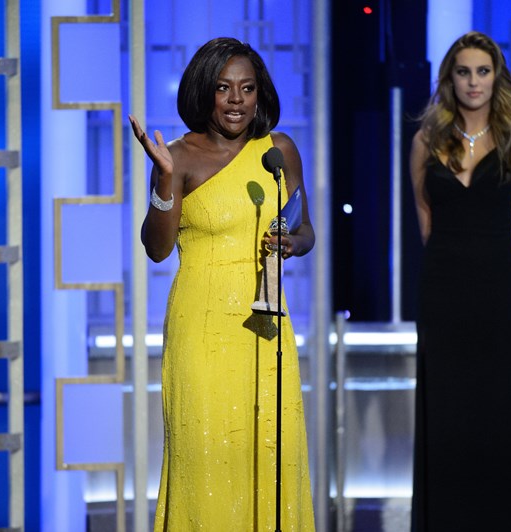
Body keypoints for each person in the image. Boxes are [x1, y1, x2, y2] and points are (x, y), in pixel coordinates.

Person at [128, 37, 316, 531]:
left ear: (260, 93)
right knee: (205, 457)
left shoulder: (279, 151)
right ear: (204, 93)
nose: (237, 100)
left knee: (270, 452)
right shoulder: (178, 156)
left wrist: (293, 245)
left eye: (247, 88)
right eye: (224, 88)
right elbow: (156, 248)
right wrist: (164, 180)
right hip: (201, 329)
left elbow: (306, 229)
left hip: (267, 327)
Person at [409, 31, 511, 531]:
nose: (474, 82)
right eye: (464, 72)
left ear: (497, 78)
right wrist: (455, 278)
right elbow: (426, 221)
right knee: (445, 417)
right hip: (443, 296)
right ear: (450, 78)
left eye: (483, 71)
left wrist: (507, 279)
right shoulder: (425, 141)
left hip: (500, 302)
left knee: (498, 417)